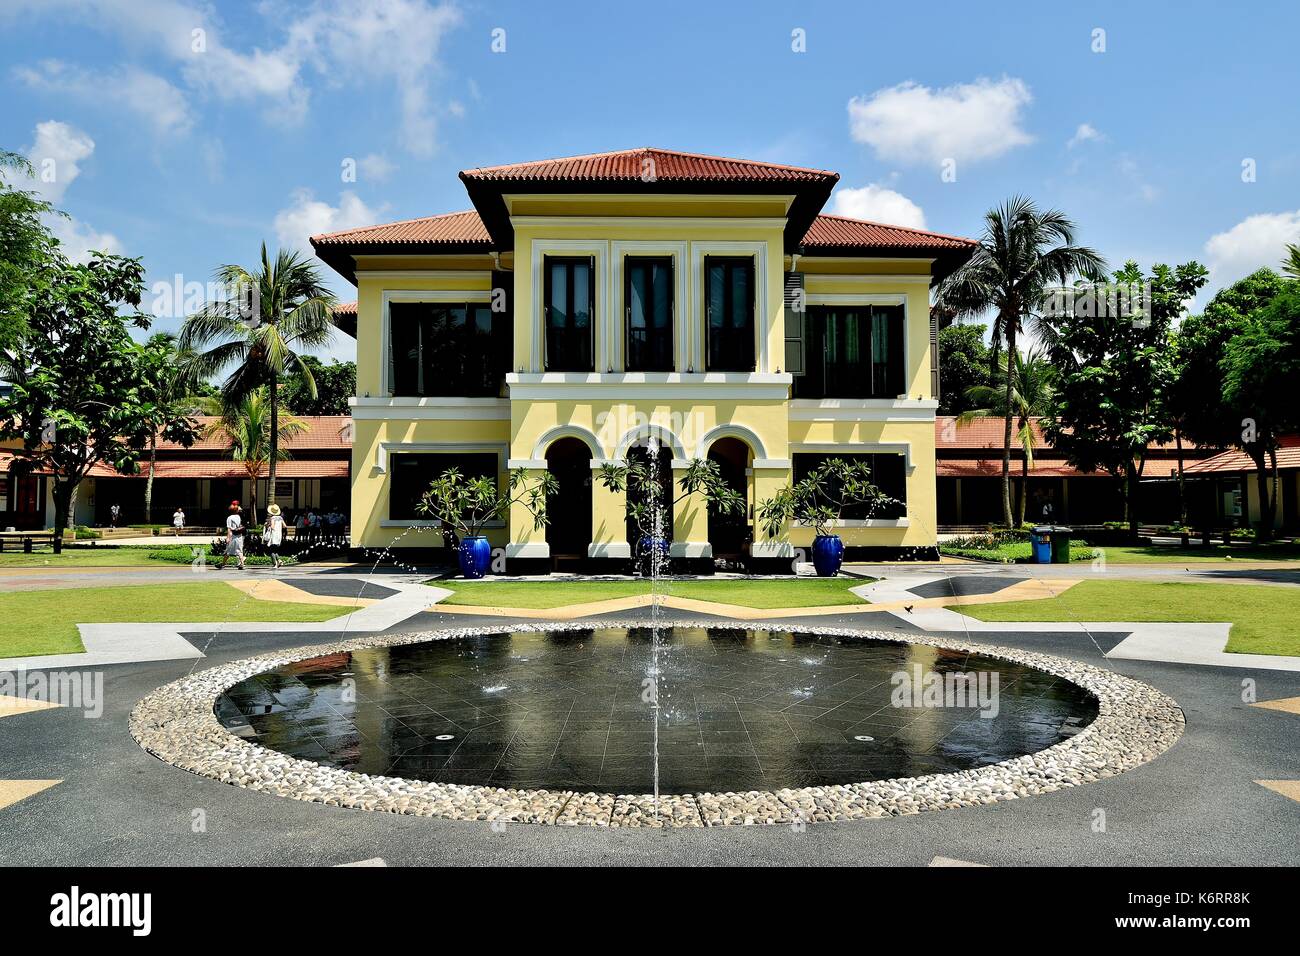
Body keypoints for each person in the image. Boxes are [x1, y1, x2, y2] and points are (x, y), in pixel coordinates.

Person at [219, 501, 246, 571]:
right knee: (240, 551)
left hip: (233, 536)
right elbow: (241, 512)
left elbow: (229, 529)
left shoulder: (229, 518)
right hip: (239, 535)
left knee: (228, 551)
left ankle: (223, 564)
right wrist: (239, 509)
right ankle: (242, 564)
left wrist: (228, 538)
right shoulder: (238, 517)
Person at [263, 503, 287, 569]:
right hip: (279, 535)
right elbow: (285, 526)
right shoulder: (280, 518)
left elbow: (272, 527)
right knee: (275, 550)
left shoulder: (273, 518)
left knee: (271, 550)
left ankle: (275, 564)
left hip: (274, 535)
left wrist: (268, 525)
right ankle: (279, 560)